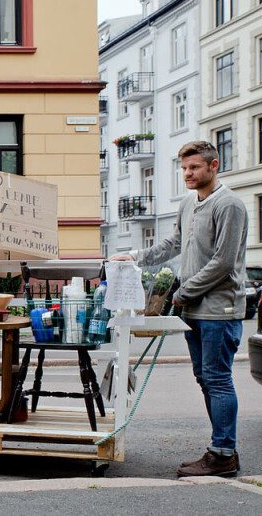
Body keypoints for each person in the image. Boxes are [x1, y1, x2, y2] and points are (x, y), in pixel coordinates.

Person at [109, 140, 247, 477]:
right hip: (195, 310)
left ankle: (224, 453)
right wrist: (135, 256)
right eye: (184, 168)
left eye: (194, 167)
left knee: (217, 379)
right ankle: (221, 449)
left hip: (220, 310)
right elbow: (172, 244)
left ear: (214, 166)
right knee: (205, 379)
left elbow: (223, 263)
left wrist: (183, 292)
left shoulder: (230, 205)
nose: (187, 173)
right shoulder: (189, 203)